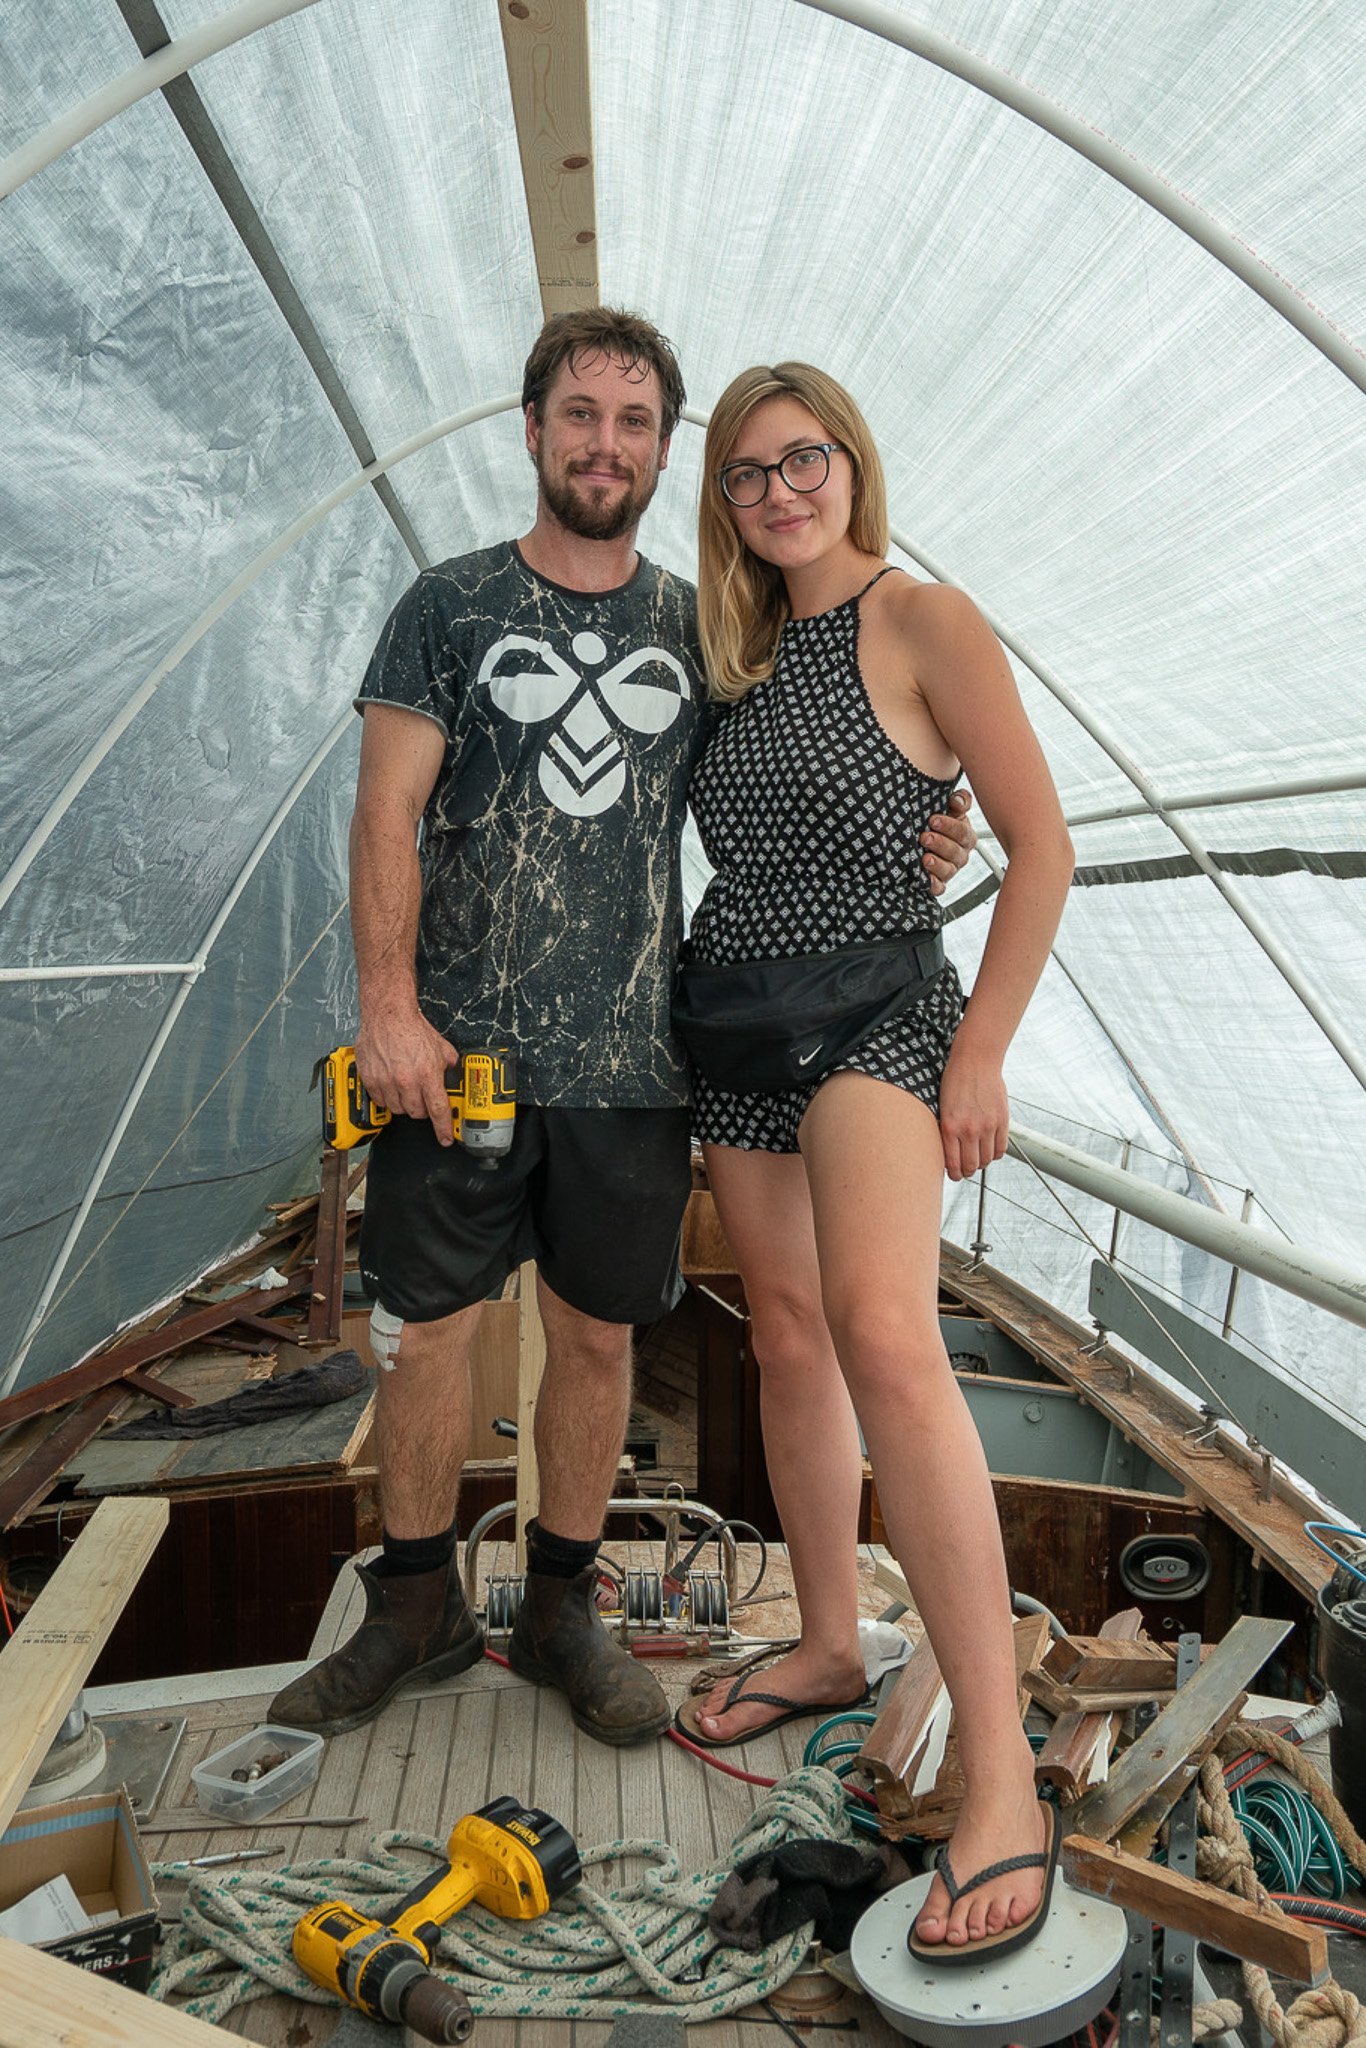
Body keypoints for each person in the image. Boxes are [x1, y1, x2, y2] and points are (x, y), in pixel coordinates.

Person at [269, 310, 977, 1750]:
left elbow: (807, 773)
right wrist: (387, 1014)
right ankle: (411, 1608)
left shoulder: (702, 626)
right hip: (454, 1060)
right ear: (532, 431)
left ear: (662, 451)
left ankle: (561, 1609)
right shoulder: (448, 607)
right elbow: (384, 811)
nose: (606, 443)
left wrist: (928, 824)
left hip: (639, 1063)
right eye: (579, 415)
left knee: (596, 1346)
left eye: (634, 422)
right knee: (428, 1342)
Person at [677, 362, 1074, 1962]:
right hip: (731, 1018)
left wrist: (976, 1048)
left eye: (802, 461)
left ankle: (998, 1783)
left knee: (888, 1338)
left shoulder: (921, 620)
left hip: (876, 1014)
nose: (778, 492)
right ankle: (831, 1646)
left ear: (851, 462)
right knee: (782, 1338)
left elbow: (1039, 843)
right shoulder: (724, 653)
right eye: (748, 476)